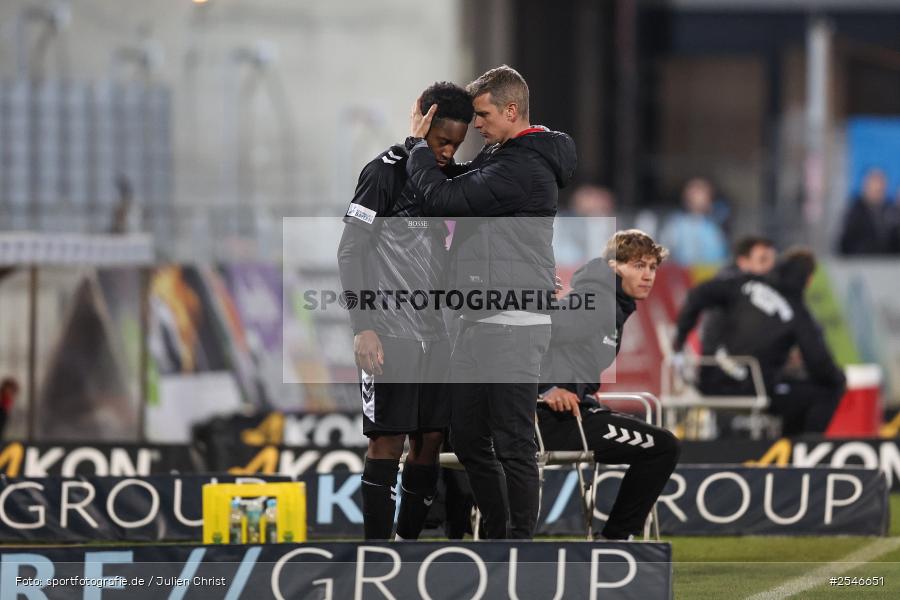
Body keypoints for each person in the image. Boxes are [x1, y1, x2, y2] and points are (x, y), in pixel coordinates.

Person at [406, 65, 577, 539]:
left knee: (513, 441)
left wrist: (419, 149)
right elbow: (458, 182)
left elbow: (446, 199)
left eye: (482, 115)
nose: (475, 125)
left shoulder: (522, 165)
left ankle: (520, 546)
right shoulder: (504, 155)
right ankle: (499, 535)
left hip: (514, 321)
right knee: (466, 436)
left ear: (510, 110)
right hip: (480, 319)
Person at [337, 81, 473, 540]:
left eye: (456, 145)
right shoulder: (383, 173)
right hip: (388, 333)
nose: (447, 153)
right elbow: (350, 252)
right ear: (421, 120)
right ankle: (376, 554)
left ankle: (408, 548)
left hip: (437, 337)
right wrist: (364, 328)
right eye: (441, 142)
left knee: (431, 440)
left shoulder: (449, 180)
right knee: (387, 440)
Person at [537, 229, 680, 540]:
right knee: (662, 447)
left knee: (660, 443)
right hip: (552, 421)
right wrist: (545, 390)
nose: (648, 275)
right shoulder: (597, 302)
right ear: (615, 266)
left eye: (653, 267)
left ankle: (614, 539)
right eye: (638, 265)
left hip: (573, 414)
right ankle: (615, 541)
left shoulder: (609, 303)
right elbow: (528, 338)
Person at [672, 248, 846, 436]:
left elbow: (697, 294)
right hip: (751, 390)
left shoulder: (745, 283)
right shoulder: (799, 314)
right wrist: (839, 377)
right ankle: (795, 452)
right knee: (828, 388)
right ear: (809, 280)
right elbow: (820, 365)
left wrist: (680, 339)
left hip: (710, 380)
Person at [700, 235, 777, 357]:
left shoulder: (730, 278)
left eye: (772, 261)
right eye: (763, 260)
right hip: (727, 360)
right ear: (744, 261)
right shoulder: (735, 286)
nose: (770, 267)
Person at [659, 177, 729, 265]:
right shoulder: (676, 224)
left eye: (704, 193)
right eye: (695, 193)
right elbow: (665, 253)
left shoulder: (713, 226)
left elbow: (721, 256)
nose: (699, 197)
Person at [838, 168, 900, 255]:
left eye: (881, 184)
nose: (877, 187)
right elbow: (844, 243)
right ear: (865, 186)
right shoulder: (855, 211)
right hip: (861, 263)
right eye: (874, 183)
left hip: (887, 265)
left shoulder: (891, 211)